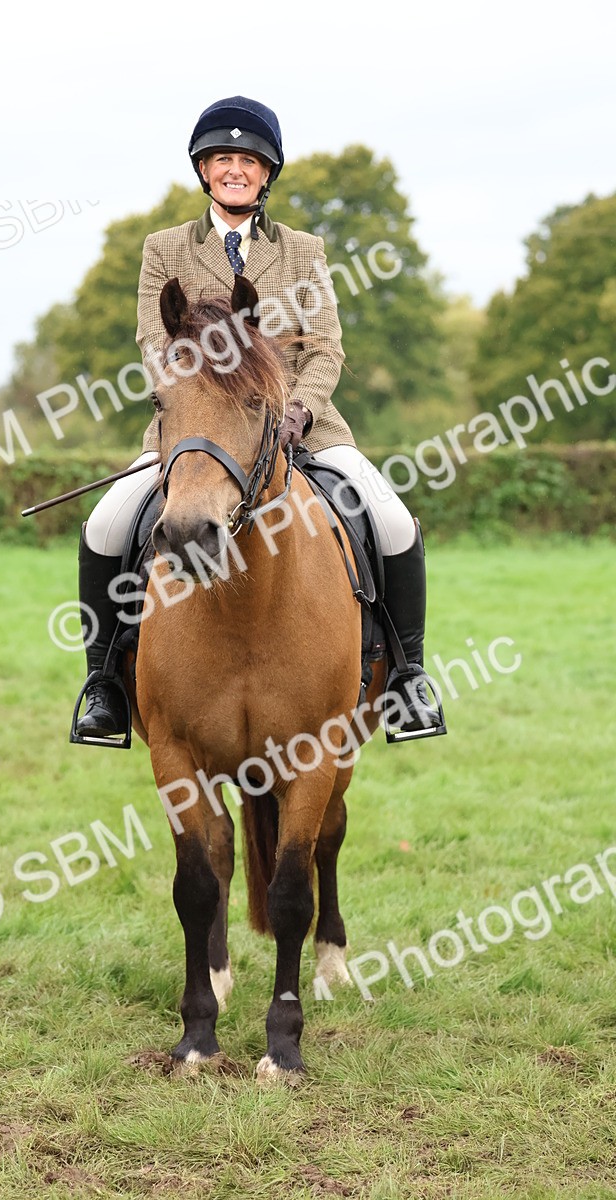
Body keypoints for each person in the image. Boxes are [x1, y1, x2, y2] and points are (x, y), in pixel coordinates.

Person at [71, 95, 445, 745]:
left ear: (266, 173)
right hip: (195, 433)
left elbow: (326, 347)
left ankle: (408, 676)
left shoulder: (303, 250)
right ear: (204, 170)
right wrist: (196, 404)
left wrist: (297, 409)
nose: (235, 170)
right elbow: (154, 344)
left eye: (248, 161)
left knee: (392, 522)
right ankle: (104, 683)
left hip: (304, 429)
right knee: (105, 525)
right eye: (222, 159)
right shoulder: (164, 249)